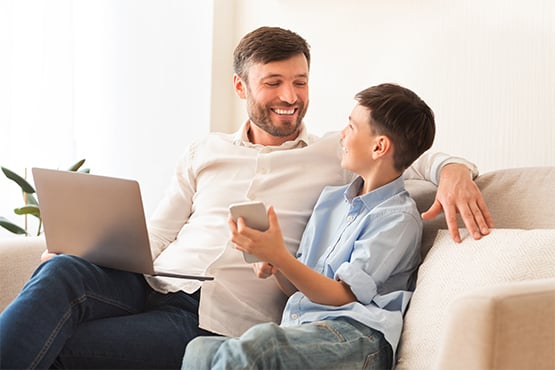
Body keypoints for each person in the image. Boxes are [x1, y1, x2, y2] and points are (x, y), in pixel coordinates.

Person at [0, 27, 492, 369]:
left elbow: (406, 152)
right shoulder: (205, 149)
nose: (290, 95)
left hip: (211, 320)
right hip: (149, 285)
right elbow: (156, 233)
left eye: (300, 82)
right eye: (273, 82)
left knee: (61, 345)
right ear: (241, 86)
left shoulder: (335, 154)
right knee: (61, 269)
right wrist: (87, 249)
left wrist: (453, 170)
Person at [182, 82, 435, 370]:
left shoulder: (397, 218)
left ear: (379, 146)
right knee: (200, 349)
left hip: (358, 337)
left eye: (351, 127)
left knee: (262, 346)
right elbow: (299, 289)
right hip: (308, 328)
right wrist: (275, 264)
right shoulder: (331, 201)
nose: (341, 135)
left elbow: (342, 295)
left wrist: (280, 256)